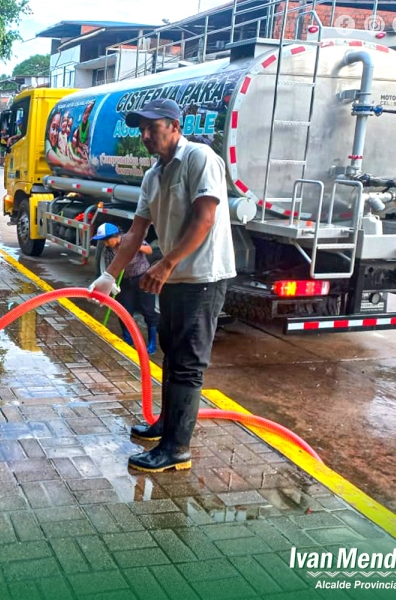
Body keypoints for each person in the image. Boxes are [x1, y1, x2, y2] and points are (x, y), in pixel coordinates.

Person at [88, 98, 236, 473]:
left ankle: (176, 449)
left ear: (174, 125)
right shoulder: (153, 175)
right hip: (173, 277)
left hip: (202, 277)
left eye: (152, 127)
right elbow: (136, 230)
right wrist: (110, 276)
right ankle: (166, 428)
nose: (145, 135)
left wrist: (166, 263)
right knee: (171, 356)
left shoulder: (200, 159)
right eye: (141, 128)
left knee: (187, 364)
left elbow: (204, 218)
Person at [91, 223, 159, 355]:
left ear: (115, 236)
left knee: (149, 311)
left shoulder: (132, 238)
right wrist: (112, 283)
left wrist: (136, 247)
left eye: (106, 240)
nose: (105, 244)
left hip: (142, 279)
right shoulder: (109, 250)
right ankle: (128, 340)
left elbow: (149, 250)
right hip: (125, 281)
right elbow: (112, 267)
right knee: (124, 311)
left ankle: (152, 343)